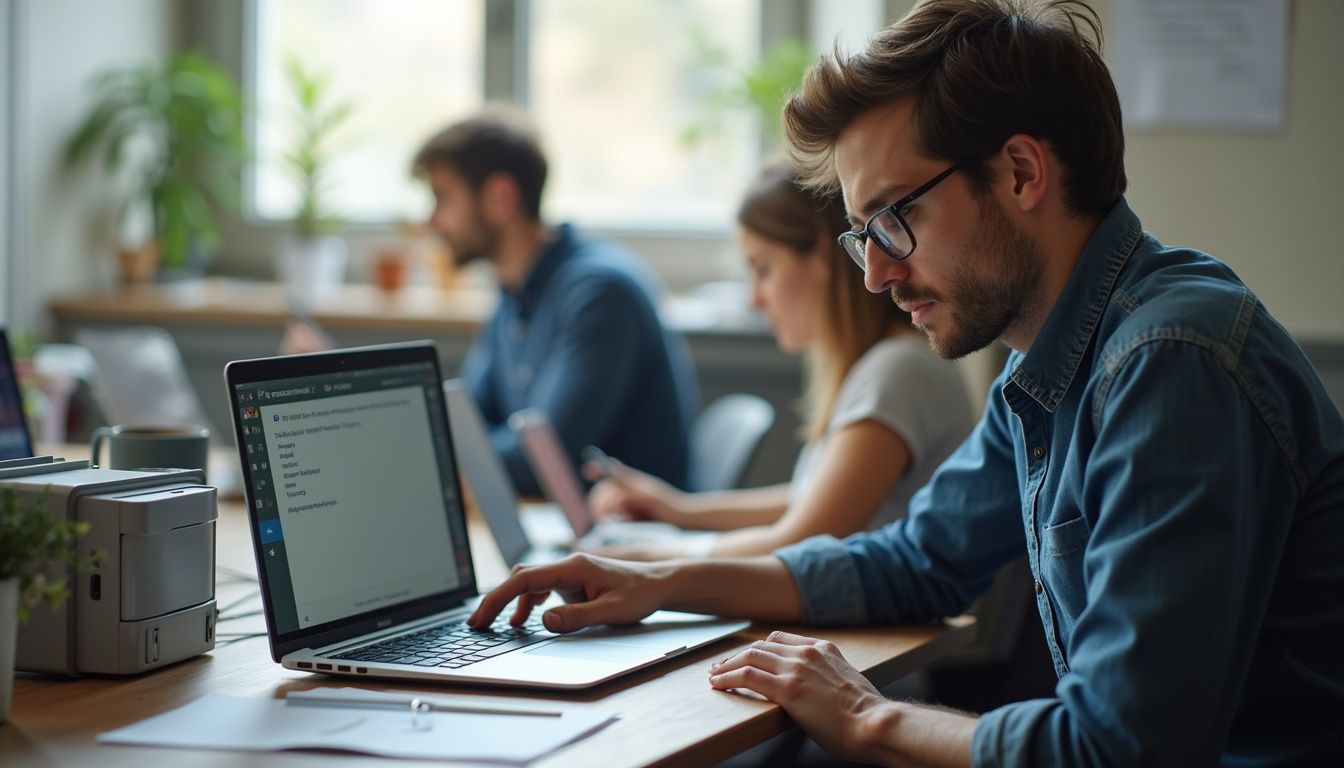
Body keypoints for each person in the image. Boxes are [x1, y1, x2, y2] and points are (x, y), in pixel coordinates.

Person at [468, 1, 1344, 765]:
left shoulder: (1167, 361)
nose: (875, 277)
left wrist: (869, 718)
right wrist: (663, 581)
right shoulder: (1048, 359)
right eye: (861, 234)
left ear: (1022, 173)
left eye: (896, 218)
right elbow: (917, 560)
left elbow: (1117, 749)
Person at [584, 164, 975, 560]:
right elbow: (810, 502)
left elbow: (798, 541)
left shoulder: (897, 373)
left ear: (821, 255)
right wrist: (679, 510)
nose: (753, 299)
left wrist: (638, 559)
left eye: (763, 269)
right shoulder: (881, 366)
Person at [411, 109, 698, 495]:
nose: (431, 221)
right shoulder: (512, 297)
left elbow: (543, 462)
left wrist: (439, 459)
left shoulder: (600, 294)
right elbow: (468, 425)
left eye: (442, 197)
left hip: (632, 543)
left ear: (499, 197)